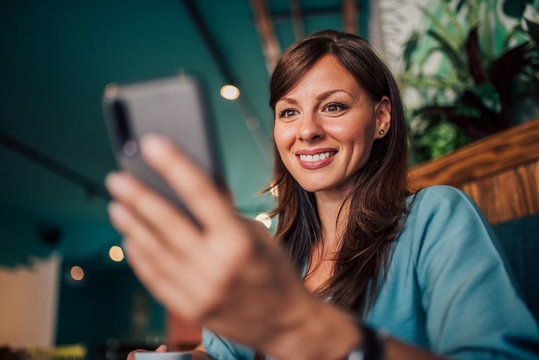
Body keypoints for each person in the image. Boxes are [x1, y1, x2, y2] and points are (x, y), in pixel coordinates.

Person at [106, 30, 539, 360]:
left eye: (333, 106)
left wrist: (311, 328)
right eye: (289, 111)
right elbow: (223, 353)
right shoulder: (276, 250)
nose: (307, 130)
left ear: (382, 117)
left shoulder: (434, 217)